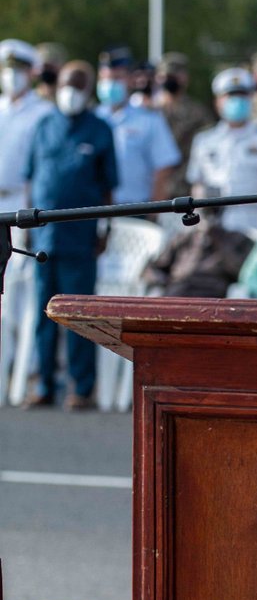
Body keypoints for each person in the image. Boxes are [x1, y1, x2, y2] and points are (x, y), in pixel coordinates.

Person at [23, 60, 118, 409]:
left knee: (79, 315)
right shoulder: (44, 125)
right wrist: (27, 228)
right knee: (42, 313)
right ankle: (45, 384)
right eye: (66, 85)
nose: (70, 93)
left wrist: (105, 228)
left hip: (81, 237)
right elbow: (33, 178)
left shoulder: (100, 129)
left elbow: (108, 188)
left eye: (78, 87)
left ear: (88, 91)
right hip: (43, 238)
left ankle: (82, 387)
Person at [187, 67, 257, 235]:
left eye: (242, 96)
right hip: (215, 225)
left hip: (256, 225)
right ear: (218, 101)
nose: (236, 101)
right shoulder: (204, 141)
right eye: (230, 96)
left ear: (251, 99)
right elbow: (197, 184)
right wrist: (201, 220)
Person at [95, 47, 181, 204]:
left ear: (130, 79)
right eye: (106, 78)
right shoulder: (92, 119)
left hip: (135, 208)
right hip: (95, 209)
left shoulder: (149, 119)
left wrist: (155, 208)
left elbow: (163, 167)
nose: (110, 84)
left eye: (117, 78)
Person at [0, 40, 52, 213]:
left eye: (19, 70)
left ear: (31, 73)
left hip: (23, 200)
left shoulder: (45, 112)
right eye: (8, 69)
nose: (12, 76)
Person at [153, 52, 212, 200]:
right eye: (166, 76)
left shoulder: (197, 113)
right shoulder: (148, 112)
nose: (170, 80)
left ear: (185, 78)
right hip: (152, 191)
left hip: (184, 191)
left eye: (175, 76)